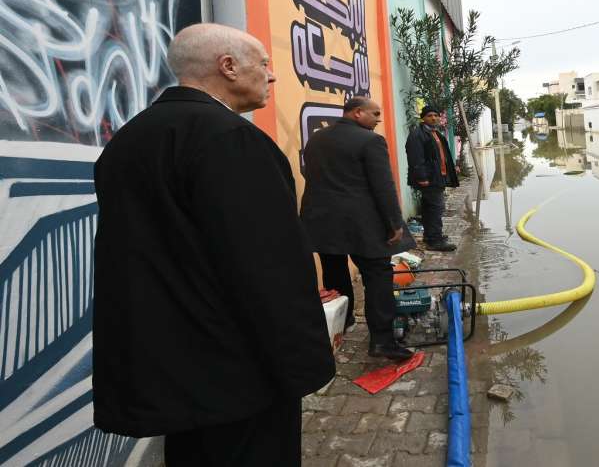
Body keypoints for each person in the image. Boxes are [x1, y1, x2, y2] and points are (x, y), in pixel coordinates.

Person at [93, 24, 334, 466]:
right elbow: (269, 270)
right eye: (264, 63)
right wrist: (305, 361)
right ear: (228, 66)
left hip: (173, 375)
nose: (272, 75)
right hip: (240, 374)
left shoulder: (128, 141)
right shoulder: (231, 140)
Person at [300, 96, 416, 359]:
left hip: (321, 220)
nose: (378, 119)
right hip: (361, 222)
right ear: (357, 113)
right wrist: (394, 223)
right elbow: (383, 186)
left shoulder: (316, 139)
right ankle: (382, 341)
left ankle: (343, 321)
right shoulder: (371, 141)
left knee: (334, 270)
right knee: (377, 276)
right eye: (374, 114)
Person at [406, 106, 460, 251]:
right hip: (429, 179)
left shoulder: (435, 133)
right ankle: (435, 241)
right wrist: (422, 177)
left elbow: (442, 155)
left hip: (437, 176)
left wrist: (450, 169)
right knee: (436, 208)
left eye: (436, 115)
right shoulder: (417, 135)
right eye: (430, 115)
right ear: (423, 118)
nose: (433, 118)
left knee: (429, 208)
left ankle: (430, 236)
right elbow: (415, 158)